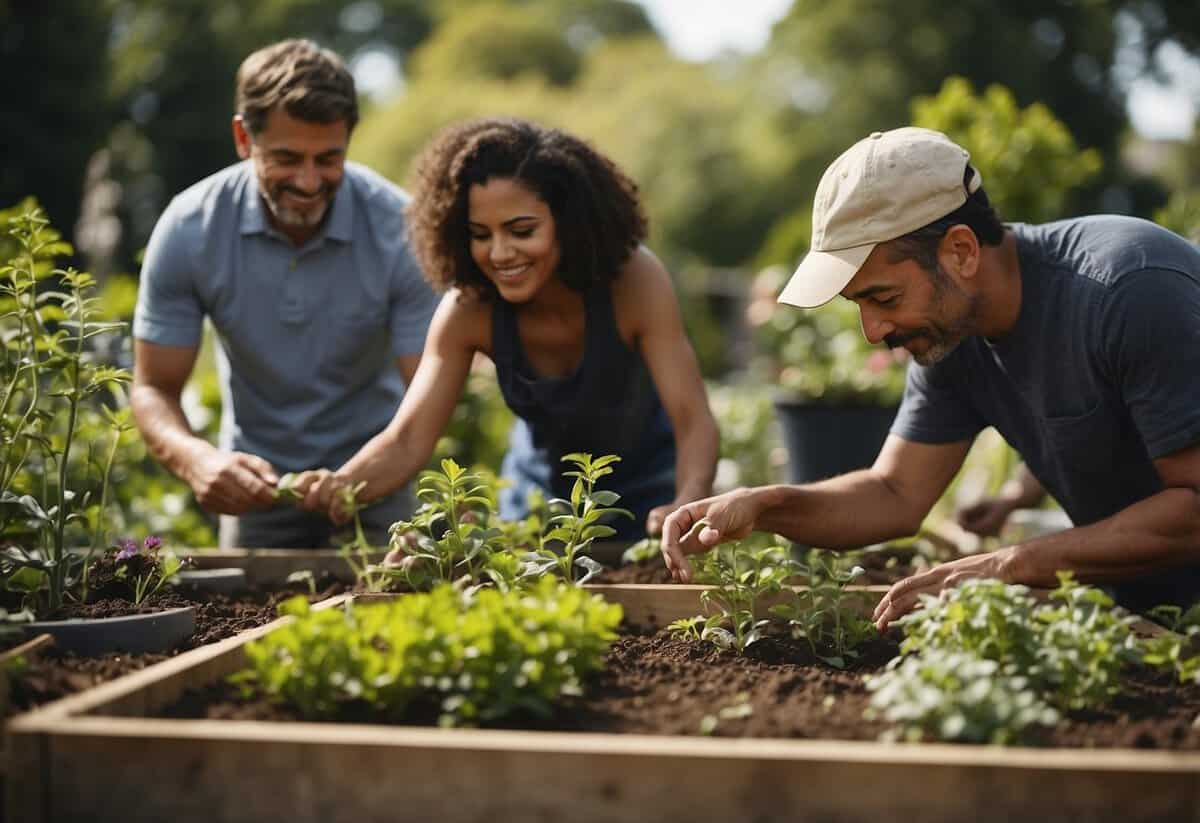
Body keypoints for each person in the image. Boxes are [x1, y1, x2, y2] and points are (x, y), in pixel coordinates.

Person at [661, 126, 1200, 629]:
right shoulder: (952, 335)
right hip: (1156, 617)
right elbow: (894, 492)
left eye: (884, 298)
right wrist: (766, 505)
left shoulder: (1127, 291)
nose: (872, 331)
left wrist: (1007, 564)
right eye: (859, 305)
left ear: (961, 251)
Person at [293, 117, 718, 547]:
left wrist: (687, 504)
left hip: (653, 498)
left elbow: (692, 420)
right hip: (537, 504)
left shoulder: (634, 283)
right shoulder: (469, 309)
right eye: (480, 234)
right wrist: (343, 484)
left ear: (569, 222)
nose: (498, 253)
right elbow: (407, 440)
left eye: (521, 231)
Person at [130, 39, 439, 548]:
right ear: (242, 138)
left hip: (379, 484)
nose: (309, 180)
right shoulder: (190, 229)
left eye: (329, 158)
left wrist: (363, 476)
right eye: (287, 157)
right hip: (255, 491)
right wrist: (198, 459)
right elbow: (153, 387)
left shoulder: (400, 230)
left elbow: (428, 388)